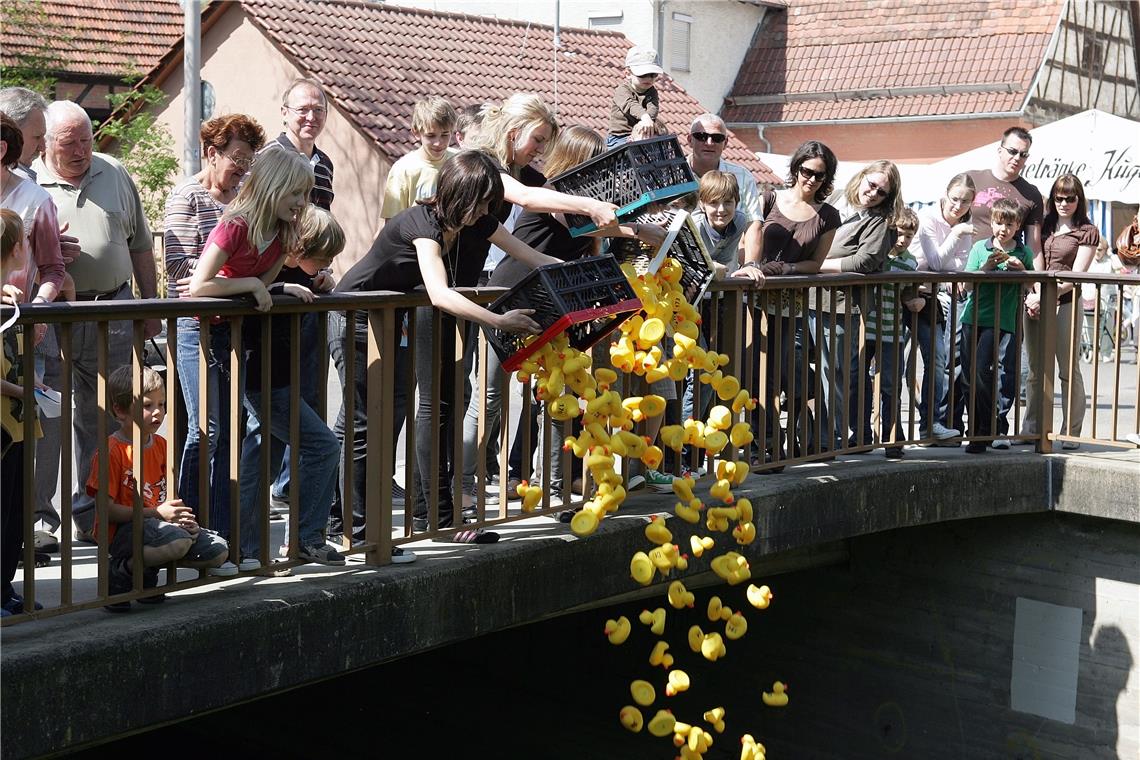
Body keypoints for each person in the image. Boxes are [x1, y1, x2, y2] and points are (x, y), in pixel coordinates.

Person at [334, 150, 561, 544]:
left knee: (424, 410)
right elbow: (439, 294)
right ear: (459, 195)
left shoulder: (475, 221)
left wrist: (578, 272)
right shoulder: (423, 225)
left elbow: (532, 256)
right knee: (363, 426)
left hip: (389, 323)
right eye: (483, 202)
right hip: (355, 318)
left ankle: (432, 516)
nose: (488, 211)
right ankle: (356, 532)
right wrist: (499, 320)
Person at [488, 126, 667, 497]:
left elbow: (592, 243)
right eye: (594, 162)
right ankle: (483, 476)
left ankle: (552, 481)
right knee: (492, 396)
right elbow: (582, 225)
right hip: (514, 292)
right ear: (576, 162)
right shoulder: (554, 194)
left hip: (552, 300)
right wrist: (637, 230)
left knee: (556, 392)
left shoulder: (586, 201)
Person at [188, 147, 325, 559]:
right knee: (214, 439)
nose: (302, 204)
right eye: (296, 194)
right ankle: (219, 544)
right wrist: (252, 286)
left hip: (245, 342)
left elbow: (261, 282)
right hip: (210, 340)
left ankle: (247, 547)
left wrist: (276, 286)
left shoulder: (284, 233)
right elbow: (199, 285)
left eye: (306, 195)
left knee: (253, 446)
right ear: (273, 187)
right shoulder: (236, 226)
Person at [32, 100, 159, 542]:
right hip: (53, 315)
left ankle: (91, 516)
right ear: (46, 144)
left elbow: (141, 243)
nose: (82, 151)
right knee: (47, 416)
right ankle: (39, 520)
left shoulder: (114, 171)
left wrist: (150, 306)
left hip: (114, 310)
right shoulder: (31, 181)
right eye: (70, 143)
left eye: (87, 140)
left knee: (103, 416)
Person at [165, 113, 265, 568]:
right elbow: (183, 276)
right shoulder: (187, 197)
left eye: (249, 160)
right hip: (193, 325)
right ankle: (186, 533)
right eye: (237, 159)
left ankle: (222, 538)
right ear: (212, 153)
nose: (243, 168)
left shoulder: (243, 200)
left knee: (232, 431)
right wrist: (244, 281)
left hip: (230, 327)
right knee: (205, 431)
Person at [237, 207, 353, 567]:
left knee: (262, 460)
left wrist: (320, 281)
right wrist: (286, 286)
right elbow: (248, 286)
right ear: (300, 252)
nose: (327, 264)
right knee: (323, 447)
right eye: (323, 259)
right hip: (265, 381)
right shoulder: (274, 266)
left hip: (277, 379)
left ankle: (248, 547)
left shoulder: (296, 270)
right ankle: (303, 537)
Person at [87, 365, 231, 612]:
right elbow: (106, 511)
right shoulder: (111, 451)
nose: (158, 413)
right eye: (147, 406)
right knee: (177, 543)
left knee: (218, 550)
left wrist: (183, 519)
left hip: (158, 526)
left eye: (161, 404)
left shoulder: (162, 444)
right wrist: (157, 514)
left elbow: (167, 495)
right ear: (120, 410)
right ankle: (123, 572)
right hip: (124, 532)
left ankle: (146, 570)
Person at [736, 140, 841, 465]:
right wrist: (753, 266)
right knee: (751, 374)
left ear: (827, 180)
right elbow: (744, 241)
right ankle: (760, 445)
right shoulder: (769, 199)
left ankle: (778, 443)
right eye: (807, 171)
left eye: (820, 175)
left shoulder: (828, 216)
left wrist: (787, 268)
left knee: (777, 374)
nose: (811, 179)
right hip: (753, 300)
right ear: (796, 169)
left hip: (789, 306)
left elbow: (816, 263)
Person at [1, 111, 68, 553]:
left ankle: (20, 546)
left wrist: (36, 309)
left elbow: (53, 269)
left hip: (18, 336)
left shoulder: (34, 200)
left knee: (17, 454)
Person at [815, 159, 902, 450]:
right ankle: (817, 436)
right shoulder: (836, 198)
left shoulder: (878, 220)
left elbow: (864, 261)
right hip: (809, 299)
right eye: (872, 184)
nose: (874, 193)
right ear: (862, 177)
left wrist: (815, 266)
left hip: (843, 305)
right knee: (809, 371)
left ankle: (835, 439)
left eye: (882, 192)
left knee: (837, 374)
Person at [967, 127, 1044, 449]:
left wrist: (1035, 287)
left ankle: (994, 428)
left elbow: (1035, 245)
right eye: (1012, 151)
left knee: (1007, 369)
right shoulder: (973, 178)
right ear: (1000, 149)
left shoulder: (1030, 193)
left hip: (1009, 298)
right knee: (969, 368)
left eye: (1023, 154)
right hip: (971, 289)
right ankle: (971, 429)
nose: (1017, 158)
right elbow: (950, 213)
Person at [1023, 174, 1100, 446]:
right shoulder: (1043, 227)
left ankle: (1070, 431)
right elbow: (1032, 259)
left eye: (1070, 198)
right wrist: (1035, 295)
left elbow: (1077, 274)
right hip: (1034, 300)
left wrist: (1046, 296)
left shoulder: (1087, 230)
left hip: (1066, 301)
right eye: (1059, 198)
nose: (1064, 203)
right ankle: (1031, 428)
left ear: (1079, 200)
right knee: (1034, 369)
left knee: (1068, 369)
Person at [954, 198, 1033, 454]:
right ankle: (980, 431)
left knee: (991, 373)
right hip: (973, 318)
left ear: (1018, 225)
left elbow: (1030, 286)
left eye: (1009, 225)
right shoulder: (979, 248)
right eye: (999, 223)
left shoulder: (1024, 252)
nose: (1003, 229)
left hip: (1003, 320)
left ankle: (988, 430)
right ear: (992, 222)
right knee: (970, 375)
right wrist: (985, 269)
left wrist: (1022, 270)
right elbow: (966, 286)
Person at [1, 207, 44, 617]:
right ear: (16, 249)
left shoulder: (6, 295)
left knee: (15, 513)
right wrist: (25, 389)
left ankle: (5, 588)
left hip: (14, 423)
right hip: (3, 421)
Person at [909, 173, 974, 443]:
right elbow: (936, 263)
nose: (958, 206)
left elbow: (961, 266)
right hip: (907, 292)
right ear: (945, 195)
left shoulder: (965, 224)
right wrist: (956, 234)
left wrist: (945, 266)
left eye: (965, 201)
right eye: (955, 198)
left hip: (933, 299)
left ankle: (929, 423)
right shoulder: (927, 218)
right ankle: (889, 430)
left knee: (938, 361)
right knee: (898, 366)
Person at [856, 208, 923, 459]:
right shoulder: (877, 255)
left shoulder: (910, 262)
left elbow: (908, 291)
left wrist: (914, 299)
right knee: (859, 382)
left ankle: (892, 437)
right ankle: (861, 434)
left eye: (908, 235)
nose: (902, 239)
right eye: (898, 233)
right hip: (866, 327)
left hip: (892, 330)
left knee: (890, 385)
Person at [686, 114, 764, 276]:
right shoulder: (673, 176)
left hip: (726, 283)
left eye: (717, 138)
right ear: (689, 140)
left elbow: (753, 224)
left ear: (726, 142)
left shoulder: (743, 177)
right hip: (681, 283)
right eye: (701, 136)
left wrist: (751, 265)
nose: (709, 143)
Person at [264, 79, 334, 210]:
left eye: (318, 109)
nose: (311, 117)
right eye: (303, 109)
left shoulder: (326, 165)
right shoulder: (267, 157)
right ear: (284, 113)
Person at [607, 46, 662, 148]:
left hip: (642, 133)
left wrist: (647, 121)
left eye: (653, 74)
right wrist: (645, 118)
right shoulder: (622, 91)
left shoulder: (652, 91)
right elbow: (631, 105)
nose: (648, 78)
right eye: (643, 74)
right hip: (620, 137)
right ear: (628, 73)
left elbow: (653, 108)